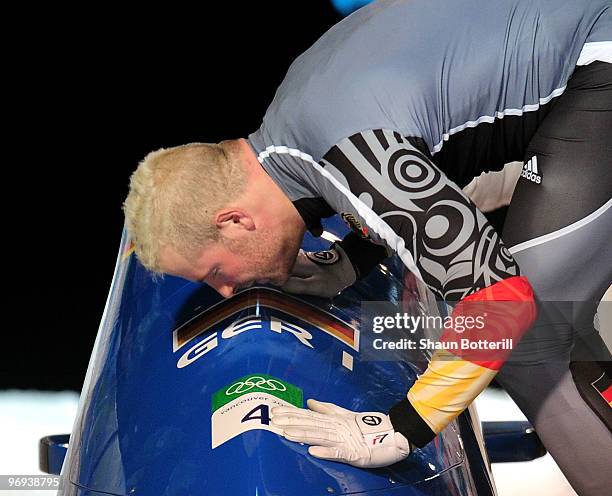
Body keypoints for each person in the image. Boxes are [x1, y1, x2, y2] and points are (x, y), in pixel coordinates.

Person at [123, 0, 611, 493]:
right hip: (575, 64)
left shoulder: (351, 149)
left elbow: (501, 300)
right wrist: (354, 259)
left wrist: (400, 429)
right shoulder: (295, 121)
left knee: (534, 338)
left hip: (597, 56)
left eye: (215, 272)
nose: (227, 292)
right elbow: (442, 151)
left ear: (234, 220)